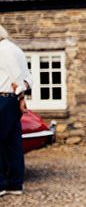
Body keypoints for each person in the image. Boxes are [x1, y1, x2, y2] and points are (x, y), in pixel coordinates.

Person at [0, 24, 32, 197]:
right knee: (12, 143)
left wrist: (20, 92)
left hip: (3, 98)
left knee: (7, 143)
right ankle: (14, 184)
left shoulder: (3, 50)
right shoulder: (14, 48)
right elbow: (28, 78)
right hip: (11, 100)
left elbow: (18, 78)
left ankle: (2, 184)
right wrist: (21, 97)